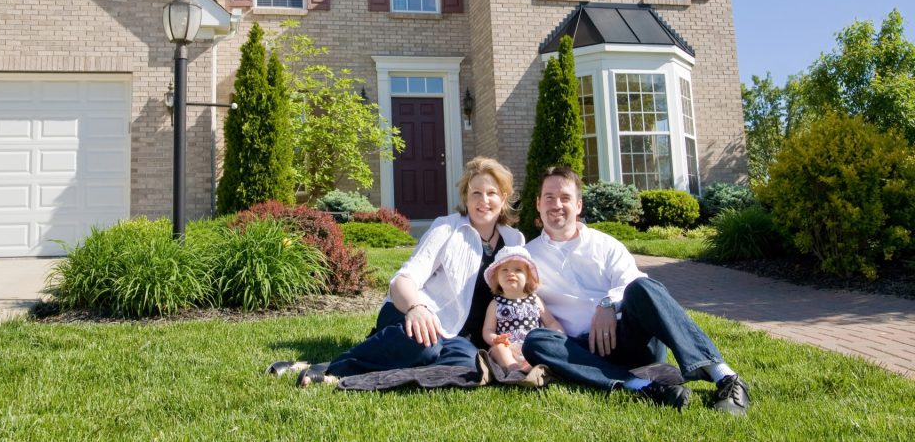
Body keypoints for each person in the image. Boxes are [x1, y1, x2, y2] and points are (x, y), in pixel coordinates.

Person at [267, 156, 525, 387]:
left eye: (491, 193)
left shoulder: (514, 240)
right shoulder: (447, 229)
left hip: (460, 338)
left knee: (468, 365)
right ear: (466, 198)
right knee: (426, 347)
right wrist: (416, 308)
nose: (483, 200)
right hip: (415, 315)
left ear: (503, 198)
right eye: (475, 193)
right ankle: (333, 368)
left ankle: (380, 364)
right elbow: (403, 279)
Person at [522, 166, 751, 415]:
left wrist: (608, 304)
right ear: (538, 204)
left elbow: (632, 280)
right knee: (535, 341)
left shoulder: (606, 245)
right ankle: (643, 386)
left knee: (643, 287)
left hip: (629, 340)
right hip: (580, 351)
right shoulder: (527, 257)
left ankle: (725, 377)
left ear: (578, 205)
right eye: (549, 197)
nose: (557, 204)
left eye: (565, 198)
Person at [481, 245, 563, 373]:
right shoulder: (496, 303)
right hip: (508, 348)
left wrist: (560, 336)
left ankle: (530, 368)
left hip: (531, 347)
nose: (511, 273)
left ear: (528, 277)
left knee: (543, 347)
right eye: (504, 270)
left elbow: (551, 322)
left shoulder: (534, 300)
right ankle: (513, 369)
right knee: (499, 348)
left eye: (518, 270)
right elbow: (488, 329)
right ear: (496, 278)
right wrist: (495, 338)